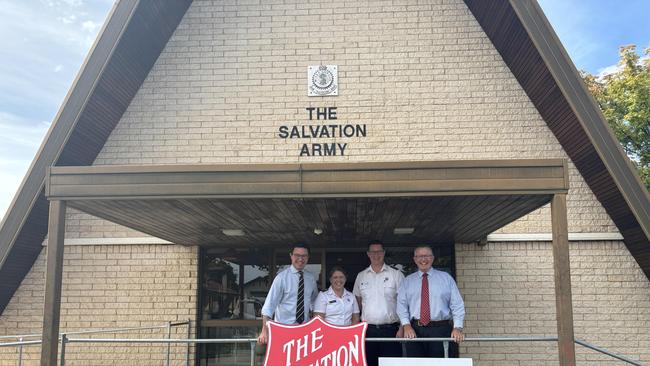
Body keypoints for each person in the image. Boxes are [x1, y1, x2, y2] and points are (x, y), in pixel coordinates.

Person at [397, 245, 465, 358]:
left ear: (433, 258)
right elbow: (401, 306)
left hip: (441, 330)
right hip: (414, 331)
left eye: (427, 256)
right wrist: (406, 325)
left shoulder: (446, 278)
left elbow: (457, 305)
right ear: (414, 259)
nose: (423, 259)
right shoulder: (407, 281)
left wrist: (457, 327)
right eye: (420, 256)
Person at [353, 240, 405, 366]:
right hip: (367, 331)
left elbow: (404, 303)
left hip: (391, 330)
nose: (376, 255)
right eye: (373, 252)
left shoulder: (396, 275)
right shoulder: (361, 276)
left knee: (391, 364)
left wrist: (403, 327)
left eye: (379, 252)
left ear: (384, 253)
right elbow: (357, 305)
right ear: (368, 254)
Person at [257, 244, 318, 344]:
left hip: (304, 332)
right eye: (297, 255)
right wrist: (264, 331)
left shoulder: (310, 278)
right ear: (291, 256)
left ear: (308, 257)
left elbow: (314, 303)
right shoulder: (281, 278)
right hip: (283, 330)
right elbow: (269, 307)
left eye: (304, 256)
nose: (300, 259)